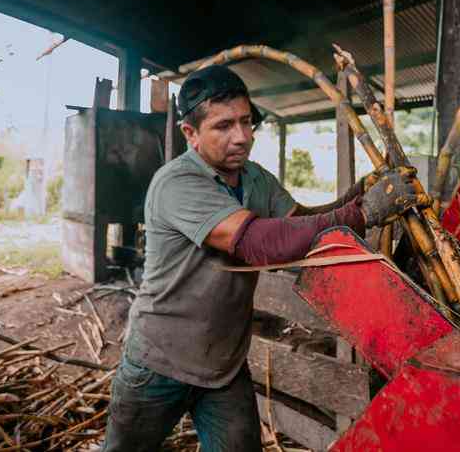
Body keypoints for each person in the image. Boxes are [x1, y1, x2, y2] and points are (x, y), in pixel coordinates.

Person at [102, 64, 419, 451]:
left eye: (247, 122)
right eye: (223, 126)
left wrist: (359, 196)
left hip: (223, 366)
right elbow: (256, 242)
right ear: (191, 133)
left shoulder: (256, 179)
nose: (241, 137)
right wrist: (363, 213)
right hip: (159, 361)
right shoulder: (177, 183)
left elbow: (302, 224)